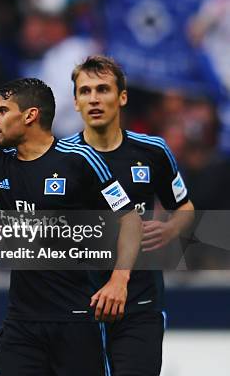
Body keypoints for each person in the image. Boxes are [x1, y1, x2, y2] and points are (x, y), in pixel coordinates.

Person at [0, 77, 142, 375]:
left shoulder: (81, 160)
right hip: (21, 325)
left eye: (2, 111)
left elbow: (129, 218)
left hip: (77, 320)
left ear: (30, 115)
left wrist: (119, 280)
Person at [63, 55, 195, 376]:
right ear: (76, 102)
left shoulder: (153, 151)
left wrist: (170, 229)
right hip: (76, 307)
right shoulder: (60, 158)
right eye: (85, 91)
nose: (94, 98)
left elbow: (184, 207)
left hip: (140, 302)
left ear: (121, 97)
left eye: (103, 89)